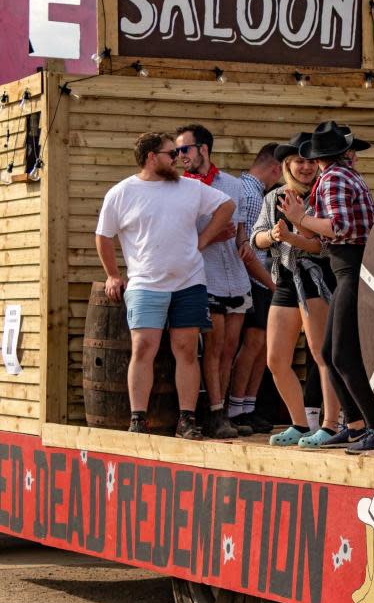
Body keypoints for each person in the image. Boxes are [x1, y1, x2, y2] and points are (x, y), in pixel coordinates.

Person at [95, 131, 234, 440]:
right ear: (151, 157)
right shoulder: (122, 192)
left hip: (189, 282)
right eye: (171, 153)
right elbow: (103, 236)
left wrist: (204, 240)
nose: (178, 158)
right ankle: (138, 419)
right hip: (145, 283)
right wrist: (113, 274)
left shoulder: (190, 187)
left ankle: (186, 420)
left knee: (186, 350)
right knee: (143, 348)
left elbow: (227, 206)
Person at [281, 121, 374, 455]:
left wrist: (300, 218)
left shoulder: (333, 178)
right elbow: (323, 238)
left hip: (354, 268)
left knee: (341, 353)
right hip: (349, 266)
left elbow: (338, 227)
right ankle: (358, 425)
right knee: (332, 353)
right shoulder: (340, 177)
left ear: (317, 157)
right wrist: (295, 231)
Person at [252, 133, 344, 448]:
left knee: (322, 355)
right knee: (276, 358)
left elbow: (322, 247)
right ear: (287, 164)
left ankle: (331, 426)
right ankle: (299, 423)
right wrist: (274, 236)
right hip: (285, 281)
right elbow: (256, 238)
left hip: (316, 281)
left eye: (309, 161)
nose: (304, 167)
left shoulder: (321, 194)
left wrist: (292, 235)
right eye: (298, 161)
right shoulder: (273, 197)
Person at [177, 123, 254, 439]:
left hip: (235, 274)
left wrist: (243, 240)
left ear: (203, 149)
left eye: (185, 149)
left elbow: (239, 230)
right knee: (214, 346)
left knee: (230, 348)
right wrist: (208, 237)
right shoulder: (181, 186)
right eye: (178, 151)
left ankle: (223, 414)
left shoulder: (232, 184)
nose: (181, 156)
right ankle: (214, 413)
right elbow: (181, 233)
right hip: (204, 275)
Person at [228, 143, 282, 434]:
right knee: (253, 345)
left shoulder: (253, 191)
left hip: (259, 279)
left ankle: (247, 407)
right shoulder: (250, 194)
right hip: (254, 280)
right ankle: (238, 409)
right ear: (275, 169)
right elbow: (246, 248)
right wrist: (271, 282)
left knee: (261, 346)